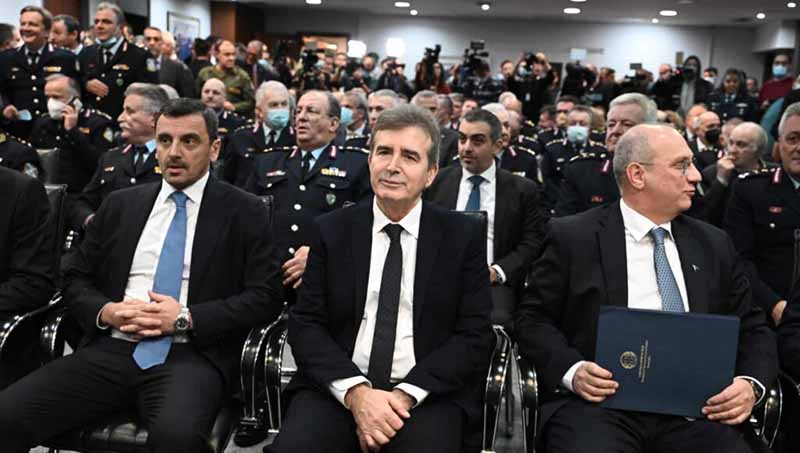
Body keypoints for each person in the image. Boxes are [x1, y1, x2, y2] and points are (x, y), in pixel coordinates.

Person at [0, 98, 283, 452]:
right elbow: (73, 275)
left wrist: (187, 318)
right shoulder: (122, 204)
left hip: (190, 354)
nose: (174, 152)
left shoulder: (245, 211)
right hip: (112, 346)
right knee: (6, 416)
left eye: (189, 141)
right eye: (164, 140)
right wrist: (106, 311)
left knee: (177, 440)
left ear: (214, 149)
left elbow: (266, 296)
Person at [517, 123, 776, 453]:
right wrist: (573, 370)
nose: (696, 176)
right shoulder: (574, 237)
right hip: (600, 408)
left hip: (699, 411)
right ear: (638, 175)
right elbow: (532, 319)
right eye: (681, 165)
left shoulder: (714, 244)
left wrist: (750, 384)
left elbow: (754, 328)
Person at [267, 103, 493, 453]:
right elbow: (307, 324)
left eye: (409, 156)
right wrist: (357, 395)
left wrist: (402, 397)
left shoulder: (461, 237)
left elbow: (474, 335)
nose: (392, 166)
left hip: (427, 392)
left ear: (431, 173)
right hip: (338, 387)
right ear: (370, 160)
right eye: (384, 152)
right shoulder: (331, 230)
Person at [424, 107, 544, 332]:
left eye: (477, 140)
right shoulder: (437, 182)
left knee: (493, 325)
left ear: (497, 145)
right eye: (462, 139)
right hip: (440, 276)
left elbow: (532, 242)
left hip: (493, 282)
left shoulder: (522, 190)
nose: (467, 147)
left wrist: (497, 271)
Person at [244, 90, 371, 299]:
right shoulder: (268, 161)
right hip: (268, 281)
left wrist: (321, 254)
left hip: (323, 284)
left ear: (333, 124)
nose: (301, 117)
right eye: (299, 111)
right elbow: (246, 217)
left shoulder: (355, 165)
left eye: (311, 111)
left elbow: (362, 226)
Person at [724, 101, 800, 325]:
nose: (798, 147)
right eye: (792, 139)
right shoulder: (750, 190)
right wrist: (773, 305)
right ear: (779, 144)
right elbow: (738, 258)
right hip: (767, 315)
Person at [69, 83, 167, 232]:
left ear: (154, 119)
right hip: (107, 239)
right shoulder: (110, 158)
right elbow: (83, 202)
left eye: (130, 111)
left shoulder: (171, 158)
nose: (120, 118)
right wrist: (91, 220)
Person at [555, 93, 656, 217]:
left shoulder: (665, 172)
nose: (615, 131)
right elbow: (564, 222)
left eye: (627, 124)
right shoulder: (581, 171)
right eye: (611, 124)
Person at [29, 74, 115, 198]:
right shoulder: (43, 123)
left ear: (76, 100)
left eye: (57, 97)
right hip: (48, 192)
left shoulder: (97, 123)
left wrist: (73, 132)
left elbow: (100, 164)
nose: (51, 102)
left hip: (82, 194)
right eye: (48, 97)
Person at [0, 5, 78, 140]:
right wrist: (5, 108)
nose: (26, 28)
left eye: (32, 24)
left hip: (53, 132)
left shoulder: (65, 58)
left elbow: (75, 93)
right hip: (17, 131)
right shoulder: (6, 58)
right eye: (23, 24)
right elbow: (2, 91)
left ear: (47, 31)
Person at [78, 2, 157, 121]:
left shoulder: (139, 55)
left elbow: (150, 92)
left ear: (120, 27)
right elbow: (74, 81)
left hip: (122, 122)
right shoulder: (86, 53)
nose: (99, 26)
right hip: (91, 123)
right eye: (96, 21)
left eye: (106, 22)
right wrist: (85, 84)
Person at [225, 80, 294, 187]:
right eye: (274, 105)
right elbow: (227, 179)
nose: (280, 110)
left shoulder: (297, 140)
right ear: (259, 111)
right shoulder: (241, 138)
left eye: (284, 104)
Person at [701, 122, 772, 227]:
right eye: (730, 143)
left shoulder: (773, 173)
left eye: (741, 145)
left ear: (759, 150)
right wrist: (721, 182)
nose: (732, 150)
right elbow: (703, 216)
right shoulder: (711, 173)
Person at [541, 104, 606, 213]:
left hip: (591, 209)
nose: (577, 127)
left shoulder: (600, 151)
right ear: (567, 126)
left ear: (590, 128)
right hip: (561, 207)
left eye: (582, 124)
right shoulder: (553, 150)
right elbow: (548, 181)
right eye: (573, 123)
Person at [196, 40, 254, 118]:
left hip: (232, 117)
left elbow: (251, 102)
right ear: (216, 54)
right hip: (207, 116)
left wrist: (234, 107)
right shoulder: (205, 73)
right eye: (227, 55)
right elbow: (195, 97)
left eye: (233, 54)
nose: (231, 58)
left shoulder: (242, 76)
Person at [199, 77, 249, 163]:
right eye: (206, 92)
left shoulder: (237, 123)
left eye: (216, 93)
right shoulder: (193, 121)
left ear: (225, 97)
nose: (210, 96)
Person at [143, 27, 194, 98]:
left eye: (156, 39)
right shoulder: (139, 63)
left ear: (161, 42)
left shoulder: (177, 67)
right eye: (148, 39)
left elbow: (187, 96)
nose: (152, 43)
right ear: (144, 41)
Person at [412, 90, 459, 168]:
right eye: (423, 109)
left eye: (433, 109)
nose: (429, 113)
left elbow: (452, 170)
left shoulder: (452, 139)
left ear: (438, 110)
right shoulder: (402, 135)